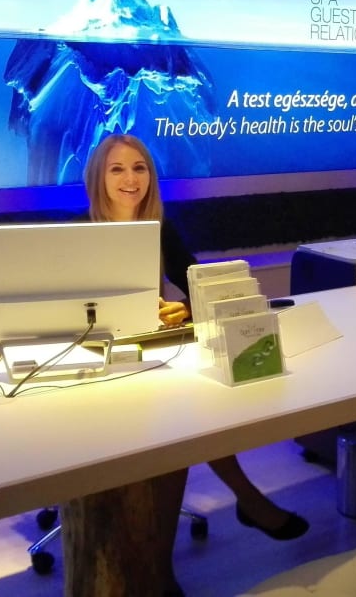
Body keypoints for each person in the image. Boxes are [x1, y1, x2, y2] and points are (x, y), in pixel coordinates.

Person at [84, 133, 309, 597]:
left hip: (148, 354)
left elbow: (196, 285)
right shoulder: (78, 233)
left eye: (140, 168)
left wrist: (186, 308)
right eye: (117, 169)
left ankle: (163, 565)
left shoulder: (160, 228)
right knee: (181, 425)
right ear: (97, 178)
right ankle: (246, 501)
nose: (131, 179)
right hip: (94, 362)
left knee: (190, 419)